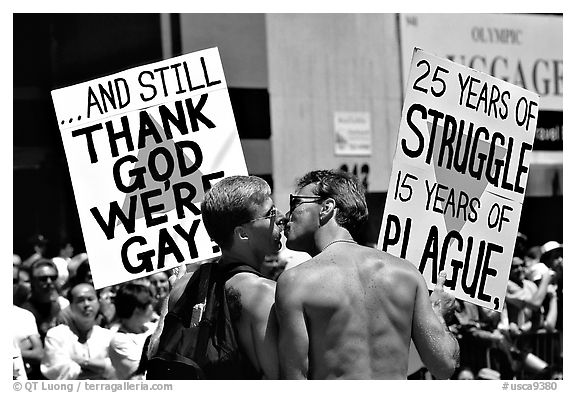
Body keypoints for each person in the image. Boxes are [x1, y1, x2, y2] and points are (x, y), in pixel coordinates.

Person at [276, 169, 459, 379]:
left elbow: (293, 379)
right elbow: (444, 366)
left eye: (295, 203)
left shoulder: (296, 282)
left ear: (326, 208)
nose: (286, 217)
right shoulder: (406, 273)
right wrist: (438, 314)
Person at [149, 175, 283, 379]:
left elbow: (155, 352)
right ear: (242, 234)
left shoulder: (183, 284)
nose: (280, 217)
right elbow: (280, 380)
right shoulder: (264, 294)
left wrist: (172, 294)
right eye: (270, 213)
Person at [41, 283, 116, 379]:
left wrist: (82, 361)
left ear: (98, 303)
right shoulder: (56, 335)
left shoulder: (108, 336)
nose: (86, 304)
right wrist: (102, 369)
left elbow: (117, 368)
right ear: (71, 306)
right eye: (80, 300)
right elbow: (60, 372)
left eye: (90, 299)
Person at [109, 283, 157, 379]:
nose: (152, 306)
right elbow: (142, 375)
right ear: (137, 309)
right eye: (149, 303)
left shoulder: (151, 327)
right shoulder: (119, 340)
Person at [21, 259, 69, 342]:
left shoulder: (62, 306)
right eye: (43, 278)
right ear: (32, 281)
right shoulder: (24, 313)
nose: (49, 281)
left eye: (53, 277)